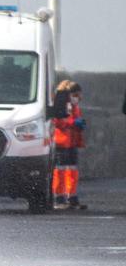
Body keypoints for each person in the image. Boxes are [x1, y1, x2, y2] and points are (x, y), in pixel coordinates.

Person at [51, 81, 87, 210]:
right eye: (76, 94)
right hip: (62, 141)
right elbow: (58, 121)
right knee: (60, 170)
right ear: (70, 94)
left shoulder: (73, 105)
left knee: (72, 170)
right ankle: (59, 197)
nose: (79, 97)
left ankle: (71, 196)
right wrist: (74, 123)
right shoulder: (61, 105)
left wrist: (78, 124)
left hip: (71, 141)